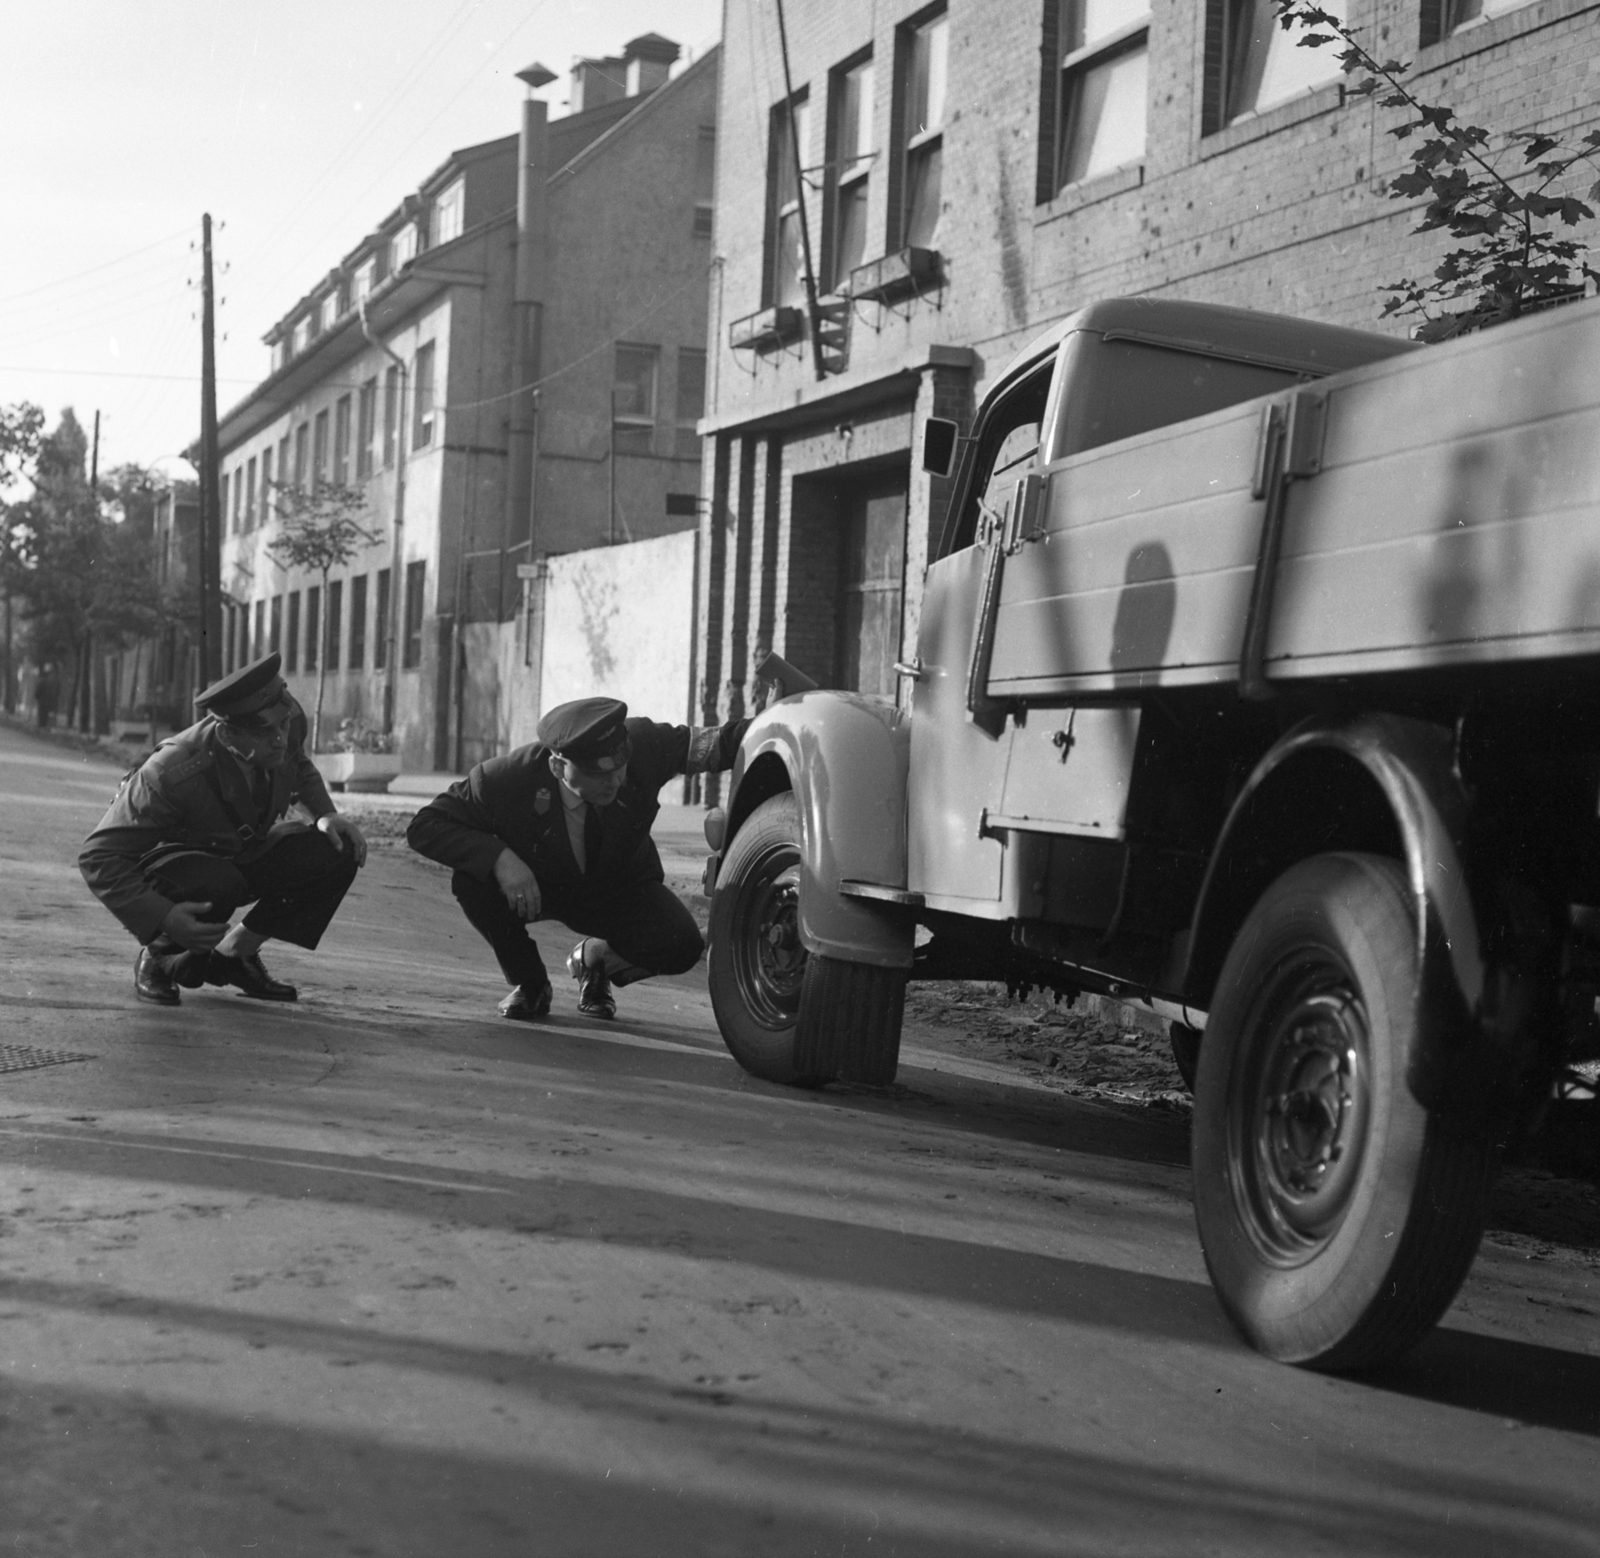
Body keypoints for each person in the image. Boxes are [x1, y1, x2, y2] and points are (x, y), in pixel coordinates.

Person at [407, 697, 747, 1020]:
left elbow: (723, 743)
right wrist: (500, 857)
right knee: (472, 882)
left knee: (681, 945)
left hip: (621, 888)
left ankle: (595, 959)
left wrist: (793, 712)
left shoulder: (644, 744)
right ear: (557, 766)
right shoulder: (504, 780)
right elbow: (425, 825)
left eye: (620, 766)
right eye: (599, 774)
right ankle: (532, 984)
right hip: (539, 887)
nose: (616, 780)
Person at [79, 651, 368, 1007]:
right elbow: (97, 857)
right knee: (217, 880)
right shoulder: (171, 773)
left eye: (282, 726)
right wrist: (165, 918)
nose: (279, 738)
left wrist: (325, 813)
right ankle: (157, 957)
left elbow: (296, 763)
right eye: (265, 733)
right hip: (178, 869)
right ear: (228, 734)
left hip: (240, 852)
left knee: (336, 850)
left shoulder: (284, 722)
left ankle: (235, 955)